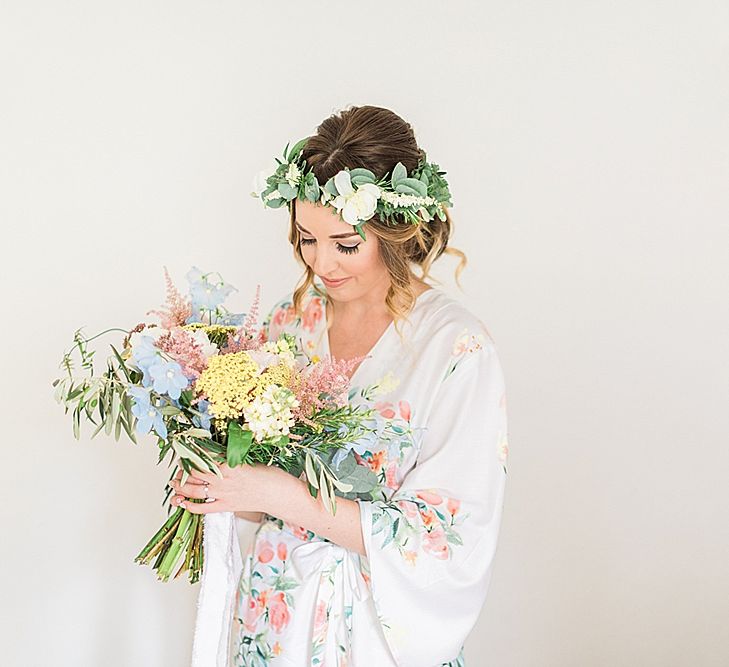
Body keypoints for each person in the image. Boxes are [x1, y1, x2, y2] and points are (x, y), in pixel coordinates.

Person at [168, 105, 509, 667]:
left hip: (374, 636)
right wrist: (223, 486)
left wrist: (274, 493)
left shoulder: (456, 349)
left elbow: (444, 542)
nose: (321, 264)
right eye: (306, 239)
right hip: (277, 615)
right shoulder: (289, 323)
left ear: (398, 230)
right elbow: (262, 498)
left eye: (345, 244)